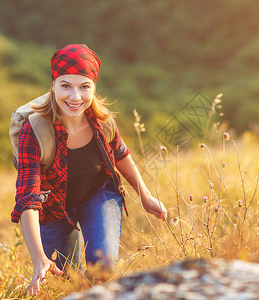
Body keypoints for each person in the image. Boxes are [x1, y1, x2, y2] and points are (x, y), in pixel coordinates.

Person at [10, 44, 167, 296]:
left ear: (94, 88)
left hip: (98, 194)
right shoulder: (34, 131)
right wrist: (39, 257)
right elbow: (28, 197)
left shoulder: (102, 121)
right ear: (53, 85)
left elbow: (120, 154)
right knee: (66, 282)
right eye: (66, 86)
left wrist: (145, 195)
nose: (75, 97)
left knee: (101, 269)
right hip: (53, 210)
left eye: (84, 87)